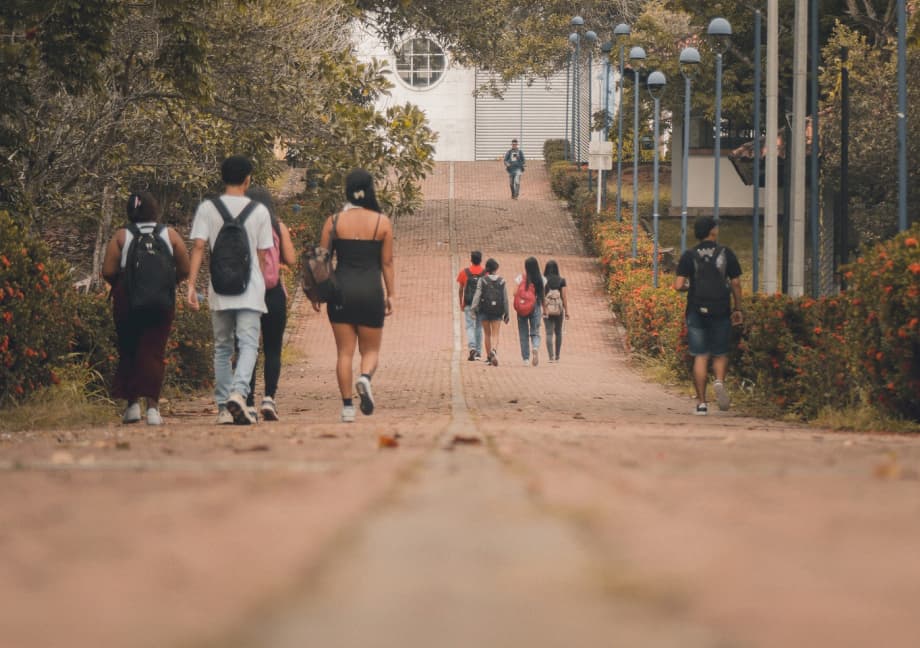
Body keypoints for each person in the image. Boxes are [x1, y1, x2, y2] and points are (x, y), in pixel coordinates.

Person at [187, 155, 274, 425]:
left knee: (222, 348)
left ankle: (224, 408)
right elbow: (262, 254)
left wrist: (191, 285)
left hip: (219, 287)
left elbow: (199, 247)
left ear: (223, 177)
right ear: (248, 179)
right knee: (248, 345)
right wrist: (257, 284)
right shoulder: (259, 211)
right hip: (250, 289)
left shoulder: (208, 208)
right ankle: (239, 393)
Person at [102, 191, 190, 425]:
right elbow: (185, 268)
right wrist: (166, 284)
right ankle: (153, 408)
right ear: (155, 210)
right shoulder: (169, 235)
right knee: (154, 351)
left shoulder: (121, 236)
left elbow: (108, 271)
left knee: (129, 348)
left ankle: (132, 406)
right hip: (161, 301)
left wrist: (126, 285)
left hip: (127, 300)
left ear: (130, 211)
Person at [315, 169, 395, 423]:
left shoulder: (334, 221)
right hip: (371, 291)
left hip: (340, 292)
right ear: (370, 189)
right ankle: (365, 378)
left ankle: (347, 407)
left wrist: (318, 293)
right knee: (370, 351)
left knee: (344, 353)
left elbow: (321, 261)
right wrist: (392, 294)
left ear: (347, 190)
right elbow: (387, 263)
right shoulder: (382, 223)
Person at [673, 216, 744, 415]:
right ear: (713, 231)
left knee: (700, 355)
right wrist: (738, 308)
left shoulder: (689, 255)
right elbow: (736, 283)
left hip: (696, 310)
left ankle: (702, 404)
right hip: (721, 310)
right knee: (720, 353)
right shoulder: (725, 253)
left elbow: (679, 285)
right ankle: (719, 381)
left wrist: (689, 285)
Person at [244, 186, 297, 422]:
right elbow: (291, 259)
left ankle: (247, 403)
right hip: (273, 293)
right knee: (273, 348)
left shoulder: (241, 225)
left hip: (247, 293)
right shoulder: (277, 225)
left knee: (248, 348)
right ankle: (269, 398)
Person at [470, 258, 509, 367]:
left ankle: (488, 357)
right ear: (496, 268)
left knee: (487, 334)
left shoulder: (482, 280)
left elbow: (477, 296)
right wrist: (507, 313)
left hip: (484, 310)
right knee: (495, 334)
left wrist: (473, 309)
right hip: (497, 311)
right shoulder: (502, 281)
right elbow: (505, 299)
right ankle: (494, 350)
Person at [514, 256, 544, 366]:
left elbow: (514, 293)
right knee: (535, 331)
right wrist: (544, 309)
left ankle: (525, 359)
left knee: (523, 332)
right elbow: (543, 296)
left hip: (522, 306)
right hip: (535, 305)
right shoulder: (541, 279)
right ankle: (535, 347)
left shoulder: (520, 278)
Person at [457, 250, 485, 361]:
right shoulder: (485, 273)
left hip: (468, 302)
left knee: (469, 326)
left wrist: (461, 303)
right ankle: (478, 352)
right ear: (481, 260)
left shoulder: (464, 272)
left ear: (471, 259)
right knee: (479, 326)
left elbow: (460, 289)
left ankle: (472, 347)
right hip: (481, 303)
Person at [542, 259, 570, 362]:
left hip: (547, 309)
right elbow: (564, 296)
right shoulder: (561, 280)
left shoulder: (543, 280)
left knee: (549, 333)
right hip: (559, 310)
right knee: (558, 332)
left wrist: (543, 308)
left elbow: (541, 295)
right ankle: (557, 356)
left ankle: (551, 357)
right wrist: (566, 311)